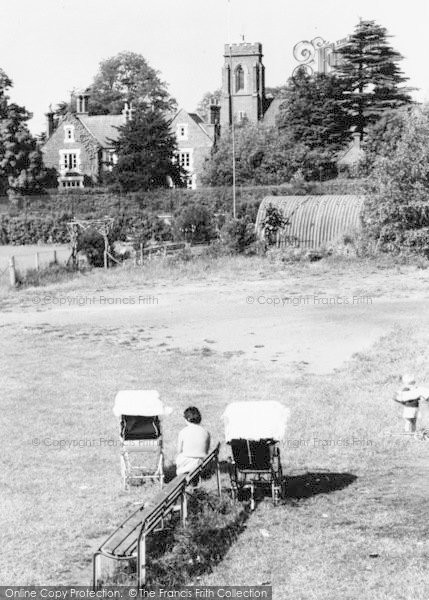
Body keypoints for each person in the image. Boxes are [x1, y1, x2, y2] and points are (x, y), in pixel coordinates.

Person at [176, 406, 210, 475]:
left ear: (187, 419)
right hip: (201, 461)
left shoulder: (183, 432)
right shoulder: (206, 432)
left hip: (186, 461)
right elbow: (206, 450)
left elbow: (179, 450)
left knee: (179, 458)